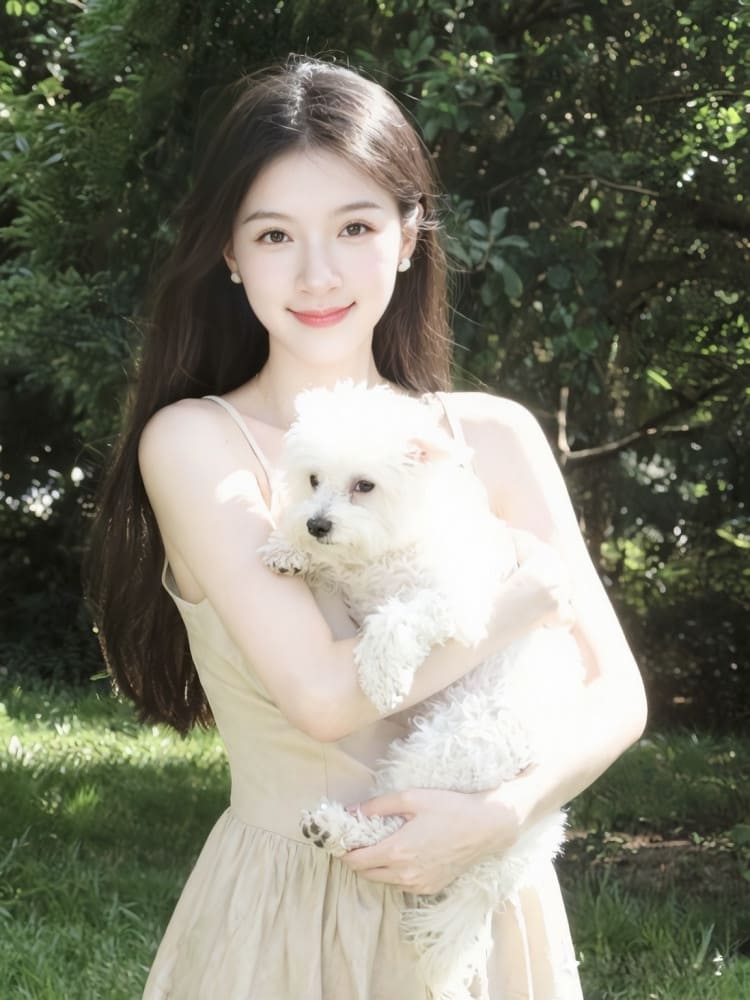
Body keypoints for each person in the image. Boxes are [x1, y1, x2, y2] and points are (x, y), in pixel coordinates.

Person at [85, 56, 646, 999]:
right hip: (295, 907)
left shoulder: (494, 435)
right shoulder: (197, 443)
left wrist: (500, 814)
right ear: (230, 253)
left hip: (487, 891)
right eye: (275, 234)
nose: (317, 274)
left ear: (408, 234)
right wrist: (516, 602)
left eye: (354, 226)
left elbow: (617, 693)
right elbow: (324, 697)